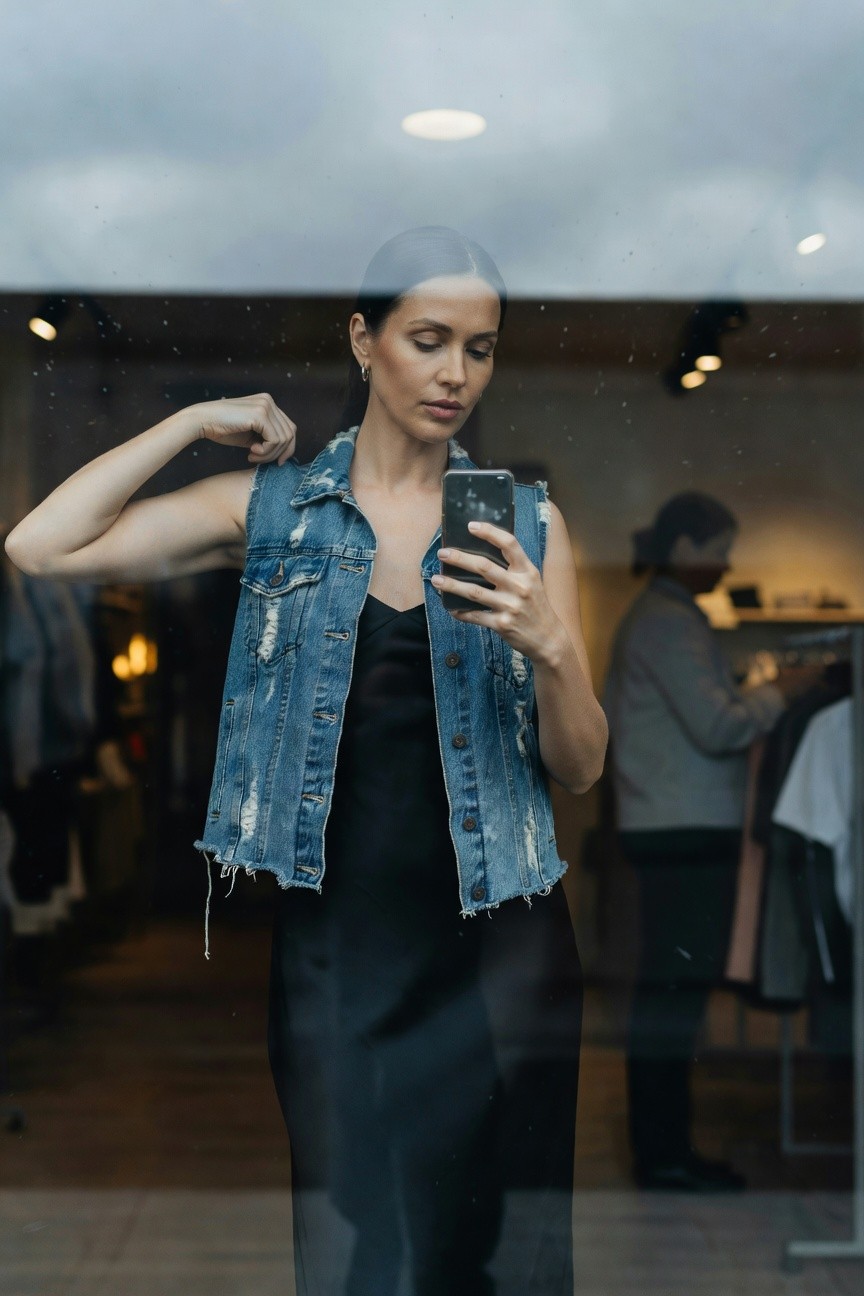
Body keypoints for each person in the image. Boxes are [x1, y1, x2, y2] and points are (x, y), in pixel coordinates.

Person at [5, 227, 608, 1295]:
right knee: (351, 1257)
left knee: (495, 1264)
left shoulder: (527, 525)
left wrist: (551, 648)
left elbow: (582, 767)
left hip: (503, 955)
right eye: (429, 339)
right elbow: (39, 548)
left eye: (482, 348)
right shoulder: (277, 514)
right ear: (363, 340)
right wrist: (194, 421)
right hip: (339, 955)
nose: (456, 373)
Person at [603, 492, 819, 1192]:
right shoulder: (669, 623)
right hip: (683, 828)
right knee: (674, 998)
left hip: (669, 825)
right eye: (720, 549)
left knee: (671, 995)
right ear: (689, 548)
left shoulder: (661, 619)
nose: (726, 565)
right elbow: (719, 727)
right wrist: (783, 690)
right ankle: (665, 1155)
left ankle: (666, 1150)